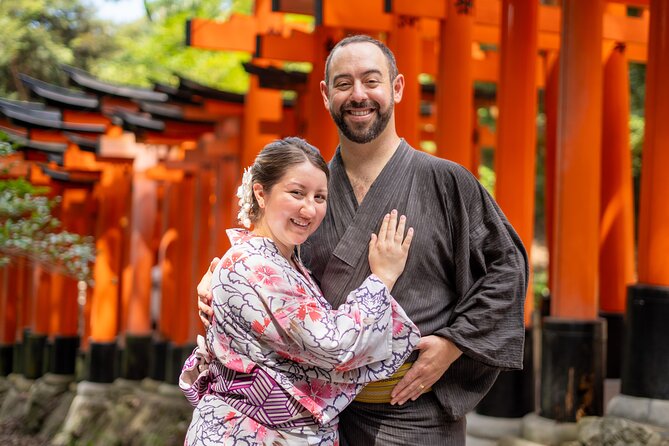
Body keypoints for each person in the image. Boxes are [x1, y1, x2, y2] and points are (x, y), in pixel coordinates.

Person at [198, 35, 529, 445]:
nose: (359, 95)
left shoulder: (447, 182)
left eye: (372, 81)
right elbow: (267, 264)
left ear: (397, 87)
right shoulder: (311, 195)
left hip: (415, 411)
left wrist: (454, 343)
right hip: (315, 418)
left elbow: (506, 268)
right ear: (325, 94)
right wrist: (220, 281)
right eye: (343, 84)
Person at [181, 136, 421, 445]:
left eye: (320, 197)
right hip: (248, 433)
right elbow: (332, 344)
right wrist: (383, 278)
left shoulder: (285, 261)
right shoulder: (254, 264)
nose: (309, 209)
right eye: (297, 193)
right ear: (261, 193)